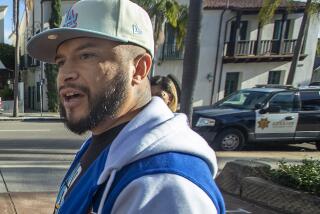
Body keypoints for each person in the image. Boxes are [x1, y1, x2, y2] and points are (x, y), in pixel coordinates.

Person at [27, 0, 225, 213]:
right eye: (61, 61)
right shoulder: (103, 142)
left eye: (86, 56)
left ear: (139, 68)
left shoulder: (165, 185)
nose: (66, 74)